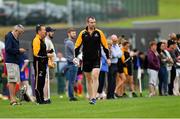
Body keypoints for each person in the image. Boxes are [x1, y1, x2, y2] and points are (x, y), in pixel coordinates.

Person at [74, 16, 111, 104]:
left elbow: (105, 46)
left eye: (94, 22)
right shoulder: (82, 33)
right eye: (91, 22)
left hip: (96, 58)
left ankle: (94, 97)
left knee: (95, 75)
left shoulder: (99, 33)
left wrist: (108, 58)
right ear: (87, 23)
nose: (93, 24)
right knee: (88, 78)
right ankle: (90, 97)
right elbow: (77, 46)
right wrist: (76, 57)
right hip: (86, 59)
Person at [5, 24, 26, 105]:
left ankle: (14, 99)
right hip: (10, 61)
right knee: (11, 80)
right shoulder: (9, 36)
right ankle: (12, 100)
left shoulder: (15, 37)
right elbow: (8, 49)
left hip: (15, 61)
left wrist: (20, 51)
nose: (20, 34)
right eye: (20, 33)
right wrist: (18, 50)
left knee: (14, 81)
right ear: (16, 30)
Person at [32, 24, 49, 104]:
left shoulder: (42, 40)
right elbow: (36, 54)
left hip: (43, 64)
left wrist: (47, 52)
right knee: (39, 82)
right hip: (38, 63)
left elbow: (42, 52)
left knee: (42, 82)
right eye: (44, 30)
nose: (45, 31)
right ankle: (38, 100)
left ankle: (42, 99)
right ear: (39, 31)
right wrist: (46, 55)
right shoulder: (36, 40)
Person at [64, 28, 78, 101]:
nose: (74, 34)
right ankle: (71, 96)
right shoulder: (70, 42)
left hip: (72, 63)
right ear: (68, 34)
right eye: (73, 33)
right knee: (72, 81)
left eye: (75, 33)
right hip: (72, 63)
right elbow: (75, 52)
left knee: (72, 81)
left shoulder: (69, 42)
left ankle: (71, 95)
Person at [107, 34, 122, 99]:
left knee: (114, 81)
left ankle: (112, 94)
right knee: (110, 80)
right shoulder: (110, 46)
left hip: (116, 64)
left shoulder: (117, 46)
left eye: (116, 40)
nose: (115, 42)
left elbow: (120, 54)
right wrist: (117, 54)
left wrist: (117, 54)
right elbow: (115, 54)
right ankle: (109, 95)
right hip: (111, 65)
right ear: (111, 40)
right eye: (114, 41)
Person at [44, 26, 56, 104]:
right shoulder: (46, 40)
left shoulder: (48, 40)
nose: (53, 33)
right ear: (47, 32)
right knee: (46, 81)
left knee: (48, 81)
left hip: (50, 63)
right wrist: (51, 60)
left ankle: (47, 97)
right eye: (51, 31)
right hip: (47, 63)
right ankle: (46, 98)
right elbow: (45, 53)